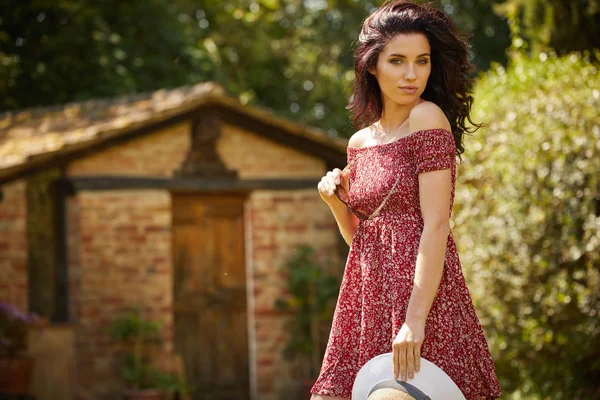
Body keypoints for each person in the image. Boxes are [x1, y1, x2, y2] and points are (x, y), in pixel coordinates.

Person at [311, 1, 503, 399]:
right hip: (367, 301)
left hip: (424, 302)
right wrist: (336, 204)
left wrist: (415, 321)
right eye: (397, 61)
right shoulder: (359, 143)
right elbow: (365, 242)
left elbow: (435, 225)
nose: (412, 75)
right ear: (371, 66)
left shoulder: (427, 117)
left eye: (422, 61)